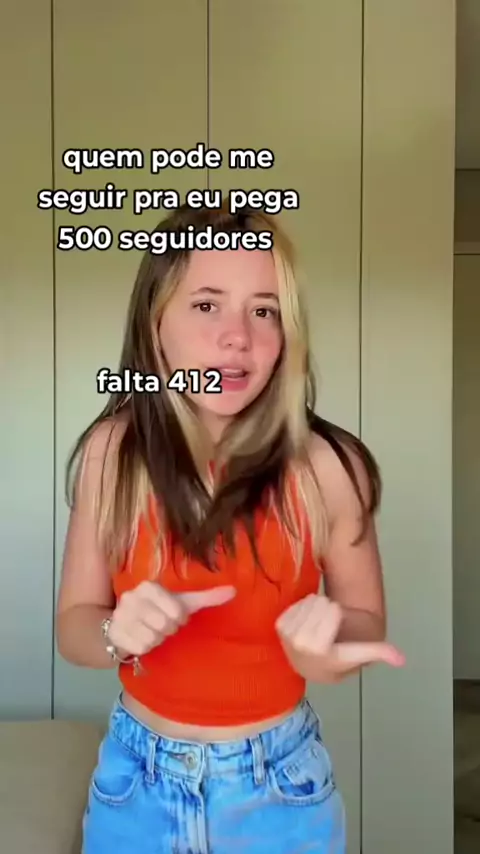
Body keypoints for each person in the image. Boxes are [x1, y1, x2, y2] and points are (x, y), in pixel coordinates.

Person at [56, 202, 405, 854]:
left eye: (264, 310)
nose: (238, 336)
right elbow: (74, 626)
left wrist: (327, 651)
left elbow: (365, 620)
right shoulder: (112, 455)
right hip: (135, 784)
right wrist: (115, 634)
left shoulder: (331, 467)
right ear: (155, 324)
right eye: (206, 305)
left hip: (279, 791)